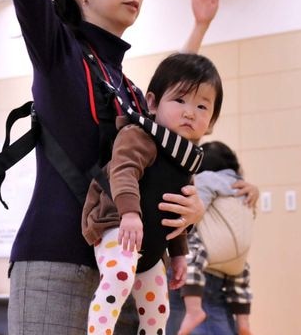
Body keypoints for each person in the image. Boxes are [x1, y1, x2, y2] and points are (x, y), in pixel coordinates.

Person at [0, 0, 256, 334]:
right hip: (54, 265)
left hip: (122, 265)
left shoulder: (128, 89)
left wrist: (192, 207)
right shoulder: (60, 54)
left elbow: (170, 115)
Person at [82, 53, 224, 335]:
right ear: (152, 102)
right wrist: (130, 213)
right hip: (115, 225)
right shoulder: (140, 135)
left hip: (151, 246)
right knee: (119, 275)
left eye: (202, 106)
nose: (189, 112)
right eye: (179, 100)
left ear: (211, 121)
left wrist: (180, 253)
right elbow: (123, 172)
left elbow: (178, 211)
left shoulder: (186, 158)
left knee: (159, 308)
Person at [170, 141, 254, 335]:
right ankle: (243, 322)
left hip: (204, 264)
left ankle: (193, 310)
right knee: (242, 275)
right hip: (234, 264)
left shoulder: (206, 179)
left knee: (189, 245)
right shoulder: (244, 190)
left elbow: (196, 210)